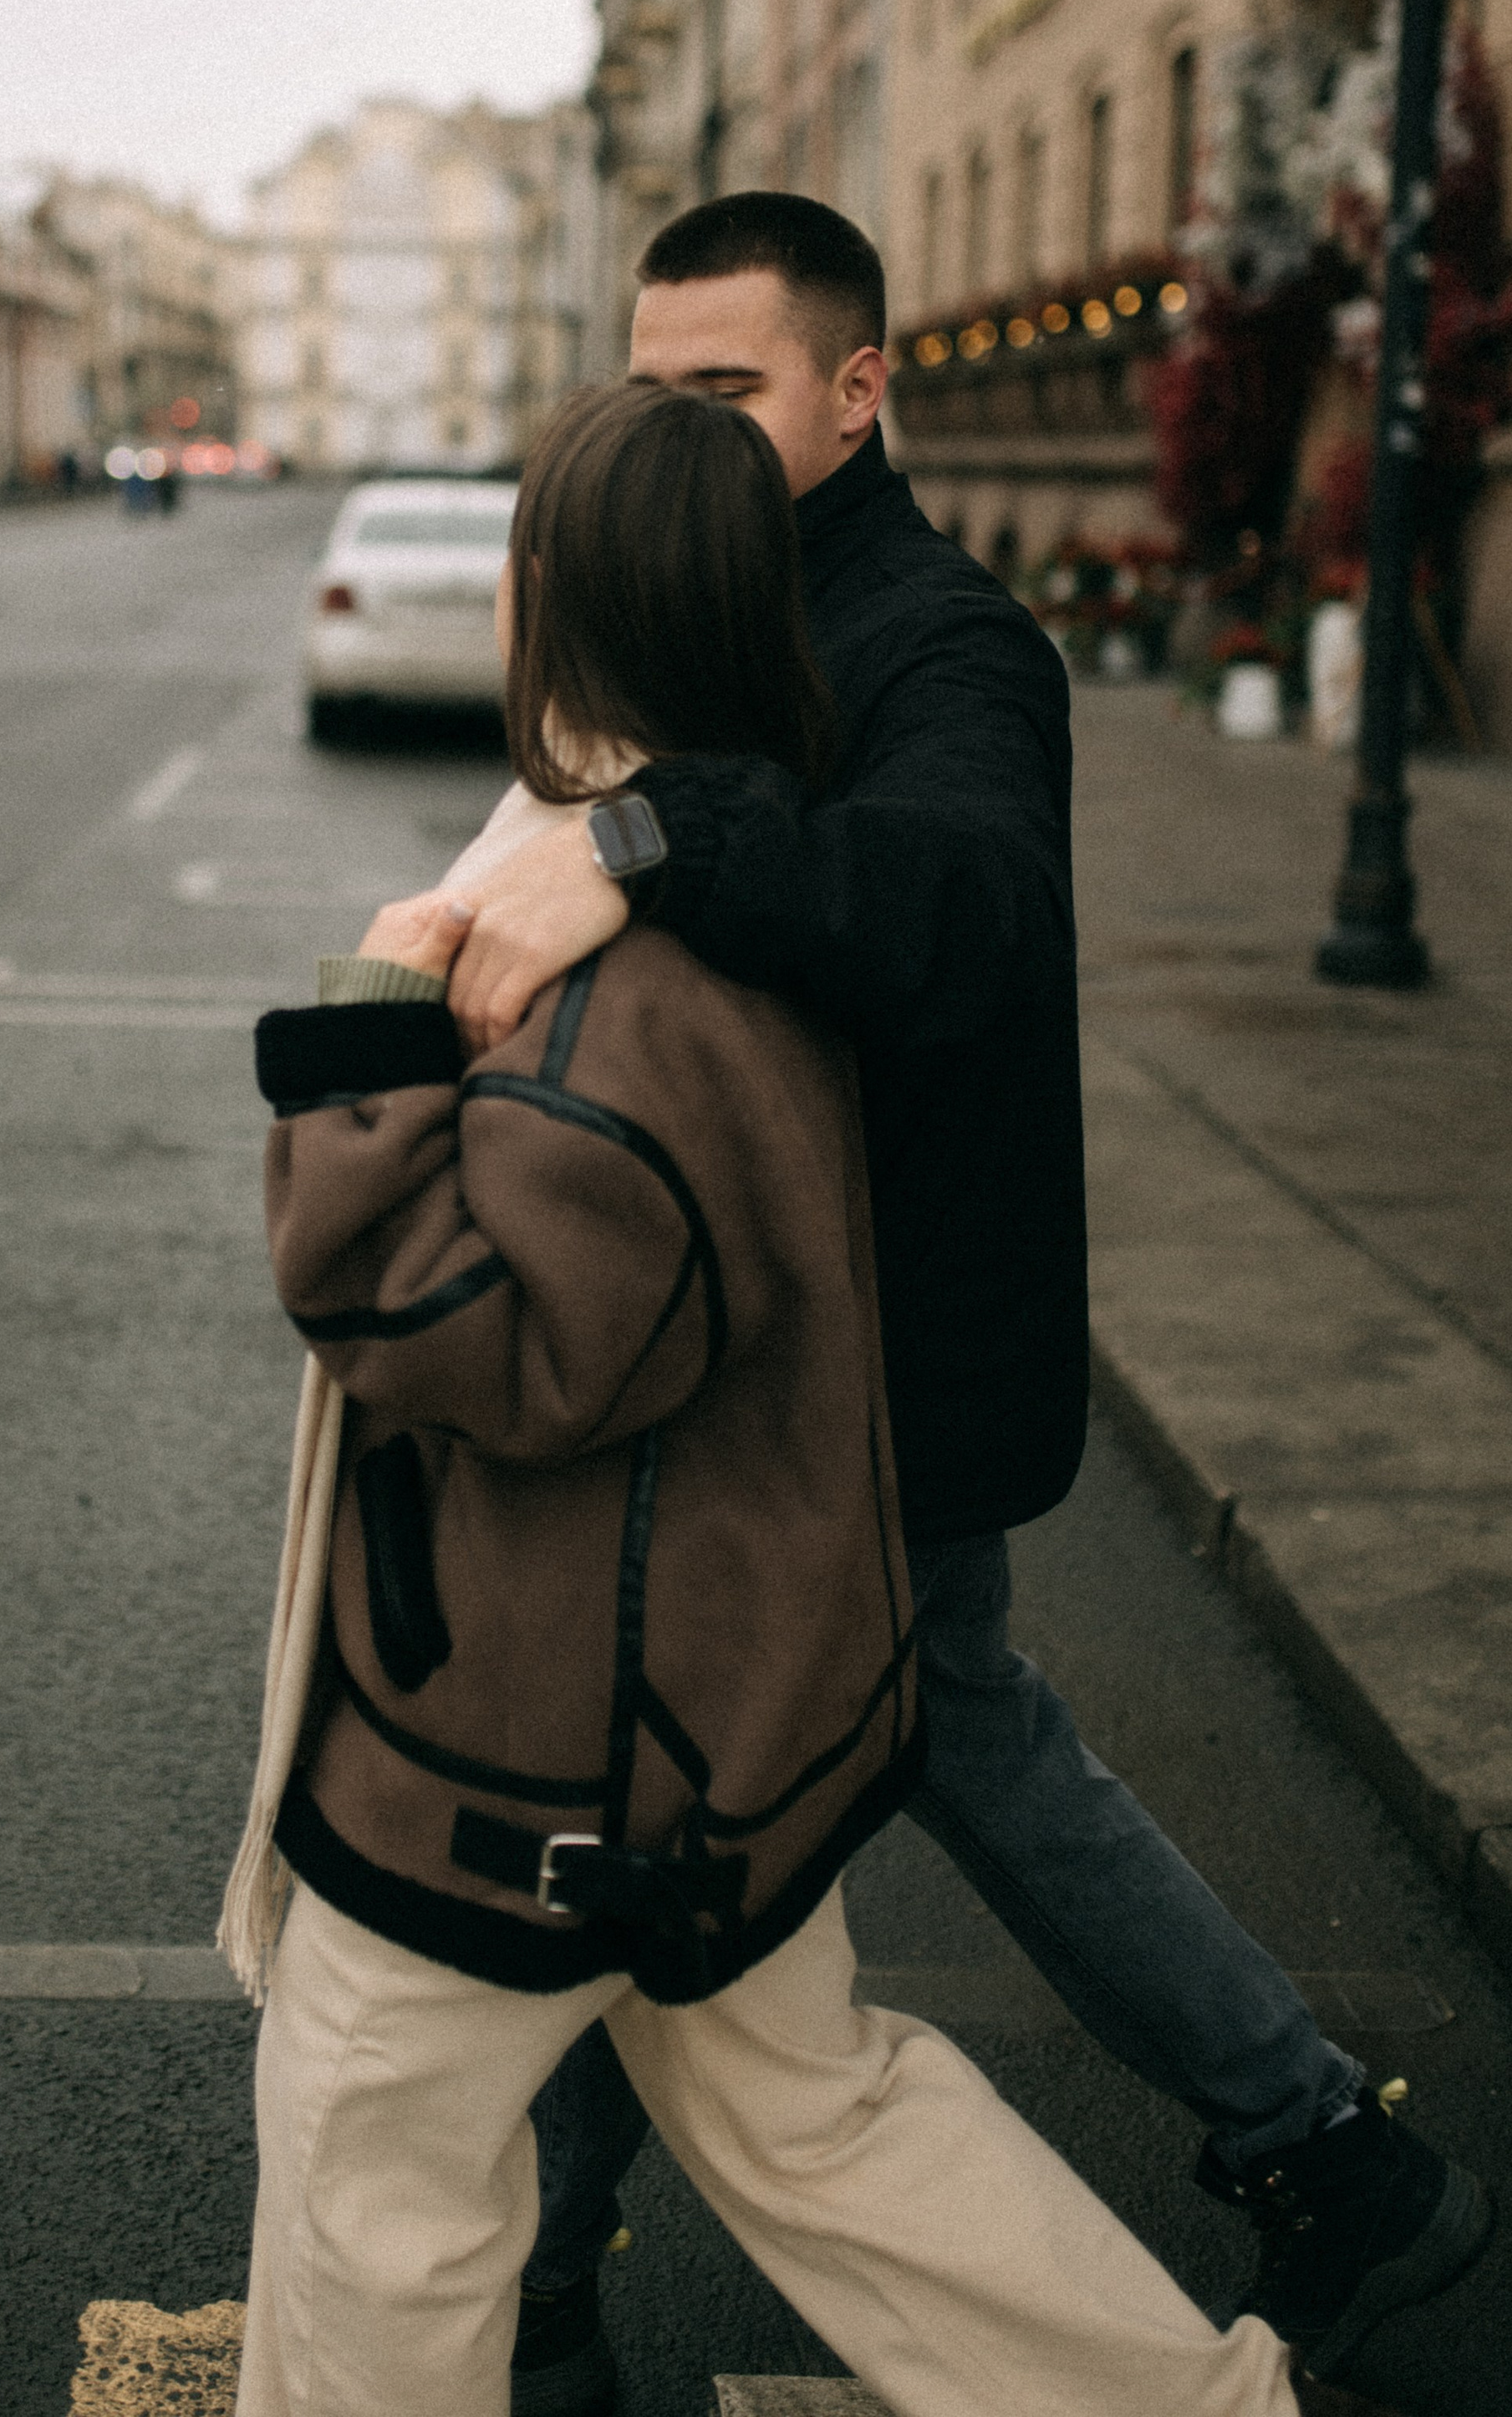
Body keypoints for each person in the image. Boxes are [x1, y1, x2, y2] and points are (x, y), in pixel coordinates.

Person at [221, 374, 1391, 2417]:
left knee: (368, 2190)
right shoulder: (710, 878)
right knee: (827, 2124)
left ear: (547, 598)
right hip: (698, 1716)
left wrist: (370, 1030)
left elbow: (474, 1336)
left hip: (534, 1752)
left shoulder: (610, 977)